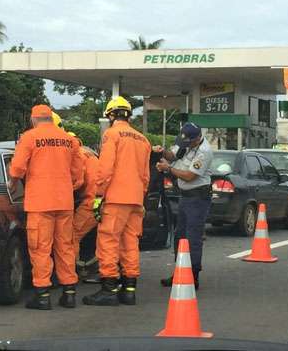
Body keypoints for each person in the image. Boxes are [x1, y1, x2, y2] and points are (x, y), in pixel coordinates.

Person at [8, 104, 83, 310]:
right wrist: (67, 186)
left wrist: (13, 183)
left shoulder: (29, 137)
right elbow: (78, 174)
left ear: (33, 119)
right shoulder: (69, 140)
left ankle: (42, 295)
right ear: (51, 118)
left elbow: (17, 167)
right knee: (65, 247)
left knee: (40, 248)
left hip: (40, 202)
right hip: (64, 202)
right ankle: (69, 293)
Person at [83, 96, 150, 306]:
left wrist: (98, 196)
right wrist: (141, 195)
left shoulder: (111, 135)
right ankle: (129, 289)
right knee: (130, 243)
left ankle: (109, 288)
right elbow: (145, 175)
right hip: (136, 199)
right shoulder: (143, 140)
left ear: (110, 115)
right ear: (128, 114)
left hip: (115, 198)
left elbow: (105, 170)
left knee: (108, 242)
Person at [155, 122, 213, 290]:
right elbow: (173, 155)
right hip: (185, 197)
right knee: (180, 236)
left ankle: (193, 276)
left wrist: (168, 169)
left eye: (188, 142)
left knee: (193, 237)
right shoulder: (186, 143)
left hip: (198, 197)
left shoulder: (204, 152)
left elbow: (189, 176)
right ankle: (180, 271)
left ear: (197, 139)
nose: (185, 145)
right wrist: (162, 152)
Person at [68, 132, 100, 282]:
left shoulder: (78, 155)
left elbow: (78, 182)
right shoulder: (88, 153)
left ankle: (71, 272)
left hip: (92, 202)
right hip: (102, 199)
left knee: (71, 235)